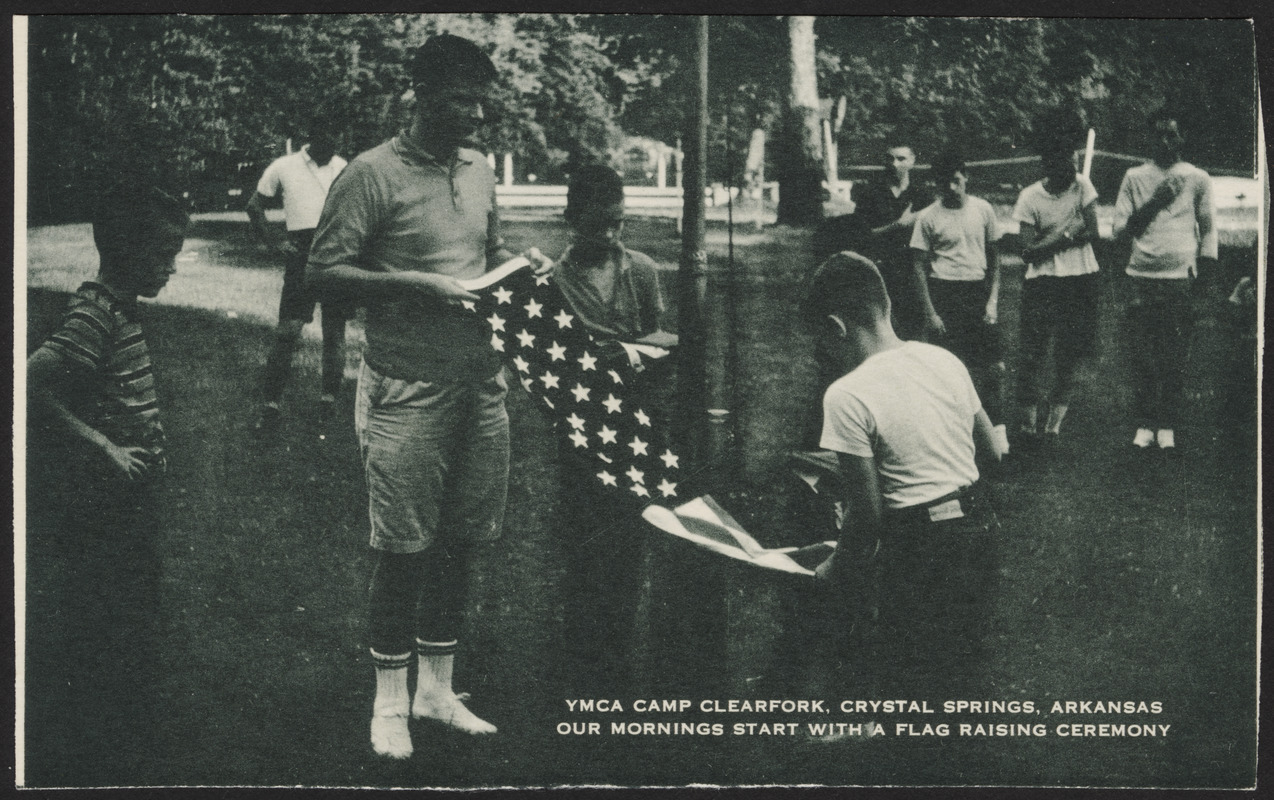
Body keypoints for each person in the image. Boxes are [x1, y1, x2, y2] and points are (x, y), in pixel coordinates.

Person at [306, 34, 552, 760]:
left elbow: (483, 258)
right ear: (419, 95)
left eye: (482, 101)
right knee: (403, 547)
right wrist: (417, 286)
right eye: (459, 101)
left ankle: (437, 691)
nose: (476, 115)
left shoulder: (477, 169)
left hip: (480, 385)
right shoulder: (369, 173)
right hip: (406, 388)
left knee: (461, 543)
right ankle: (388, 704)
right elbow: (322, 274)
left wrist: (520, 269)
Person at [26, 178, 188, 783]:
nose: (171, 267)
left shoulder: (118, 306)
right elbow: (31, 382)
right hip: (107, 500)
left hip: (131, 496)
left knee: (130, 604)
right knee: (109, 606)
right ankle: (100, 736)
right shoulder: (95, 312)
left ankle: (116, 721)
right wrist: (104, 448)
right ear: (127, 250)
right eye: (163, 254)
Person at [806, 252, 1005, 694]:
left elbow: (869, 514)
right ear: (887, 306)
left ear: (836, 328)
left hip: (921, 548)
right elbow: (992, 450)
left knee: (908, 673)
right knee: (962, 669)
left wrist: (836, 565)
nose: (824, 357)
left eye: (822, 344)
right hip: (979, 526)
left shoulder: (846, 394)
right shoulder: (943, 359)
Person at [551, 164, 677, 693]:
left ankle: (619, 647)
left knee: (631, 536)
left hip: (639, 422)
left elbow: (662, 338)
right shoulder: (553, 282)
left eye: (617, 224)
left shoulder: (642, 269)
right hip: (581, 430)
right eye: (598, 224)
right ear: (572, 220)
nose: (609, 235)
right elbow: (559, 360)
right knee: (584, 539)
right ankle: (582, 653)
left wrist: (636, 351)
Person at [1112, 107, 1217, 454]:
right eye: (1158, 134)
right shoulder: (1134, 177)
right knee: (1142, 355)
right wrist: (1156, 201)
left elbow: (1209, 230)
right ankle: (1144, 422)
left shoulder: (1197, 177)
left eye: (1172, 134)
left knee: (1174, 355)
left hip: (1179, 280)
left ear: (1182, 137)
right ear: (1149, 137)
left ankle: (1168, 423)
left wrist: (1204, 279)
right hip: (1140, 277)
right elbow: (1120, 232)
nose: (1165, 141)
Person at [248, 123, 351, 436]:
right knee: (288, 332)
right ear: (313, 136)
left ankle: (328, 402)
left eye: (338, 134)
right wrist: (274, 242)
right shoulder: (284, 166)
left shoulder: (345, 168)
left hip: (336, 254)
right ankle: (271, 406)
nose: (334, 140)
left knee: (334, 333)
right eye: (328, 134)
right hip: (301, 255)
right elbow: (255, 206)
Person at [911, 151, 1009, 451]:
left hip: (977, 293)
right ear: (937, 185)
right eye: (945, 184)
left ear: (966, 178)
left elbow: (995, 259)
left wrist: (992, 301)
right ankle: (950, 435)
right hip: (945, 294)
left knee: (993, 367)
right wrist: (930, 312)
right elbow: (917, 266)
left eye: (957, 181)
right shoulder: (928, 216)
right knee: (945, 370)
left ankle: (997, 432)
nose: (952, 188)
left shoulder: (983, 210)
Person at [1011, 138, 1102, 444]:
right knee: (1032, 354)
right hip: (1042, 282)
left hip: (1080, 280)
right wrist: (1066, 235)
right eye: (1067, 163)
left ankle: (1053, 427)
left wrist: (1048, 241)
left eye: (1076, 162)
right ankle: (1027, 426)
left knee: (1069, 354)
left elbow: (1093, 232)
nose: (1074, 170)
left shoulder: (1083, 186)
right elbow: (1027, 252)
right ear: (1050, 165)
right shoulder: (1029, 197)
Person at [815, 139, 930, 340]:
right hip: (880, 270)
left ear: (912, 161)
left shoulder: (923, 196)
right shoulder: (871, 194)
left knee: (913, 332)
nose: (894, 164)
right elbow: (860, 235)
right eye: (890, 158)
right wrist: (898, 225)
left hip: (913, 272)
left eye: (901, 159)